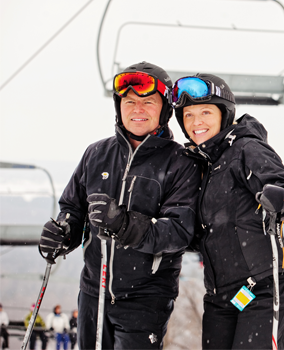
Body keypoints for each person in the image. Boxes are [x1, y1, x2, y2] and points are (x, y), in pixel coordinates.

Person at [38, 61, 201, 349]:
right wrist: (63, 232)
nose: (137, 109)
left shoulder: (180, 163)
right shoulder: (96, 154)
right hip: (93, 293)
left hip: (145, 298)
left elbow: (178, 232)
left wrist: (125, 225)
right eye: (129, 101)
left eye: (147, 101)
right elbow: (73, 209)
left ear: (164, 109)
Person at [172, 74, 284, 349]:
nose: (196, 123)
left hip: (266, 285)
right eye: (188, 115)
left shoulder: (246, 148)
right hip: (222, 296)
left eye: (205, 112)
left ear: (225, 114)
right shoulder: (202, 166)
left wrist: (278, 200)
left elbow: (281, 188)